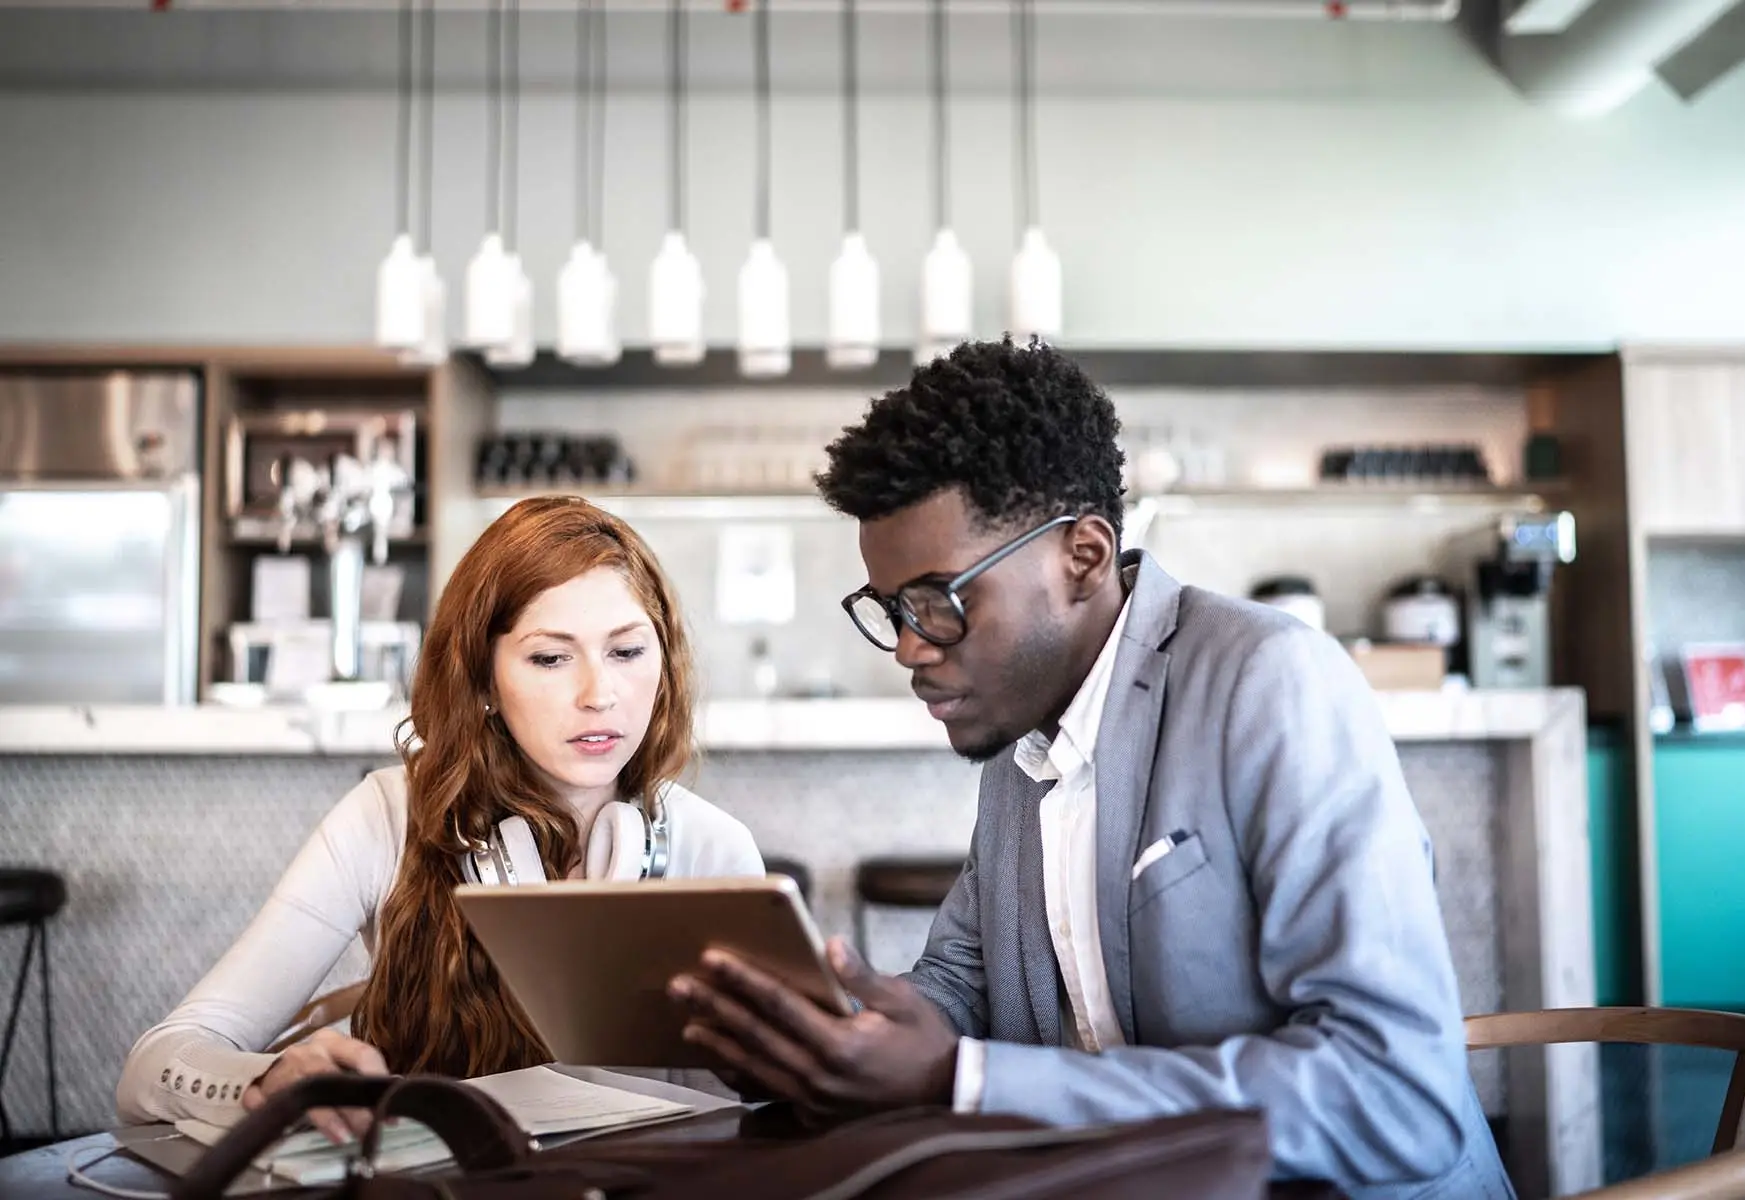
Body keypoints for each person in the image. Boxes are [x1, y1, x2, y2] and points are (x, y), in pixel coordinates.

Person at [669, 339, 1514, 1199]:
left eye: (940, 603)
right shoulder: (1018, 740)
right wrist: (828, 1039)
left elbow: (1396, 1095)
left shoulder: (1271, 682)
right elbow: (960, 988)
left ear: (1083, 555)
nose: (910, 647)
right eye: (893, 609)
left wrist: (958, 1083)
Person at [118, 496, 763, 1138]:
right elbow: (152, 1068)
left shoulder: (713, 848)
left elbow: (742, 1125)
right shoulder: (385, 818)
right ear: (482, 679)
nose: (601, 695)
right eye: (550, 657)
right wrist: (264, 1082)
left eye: (626, 652)